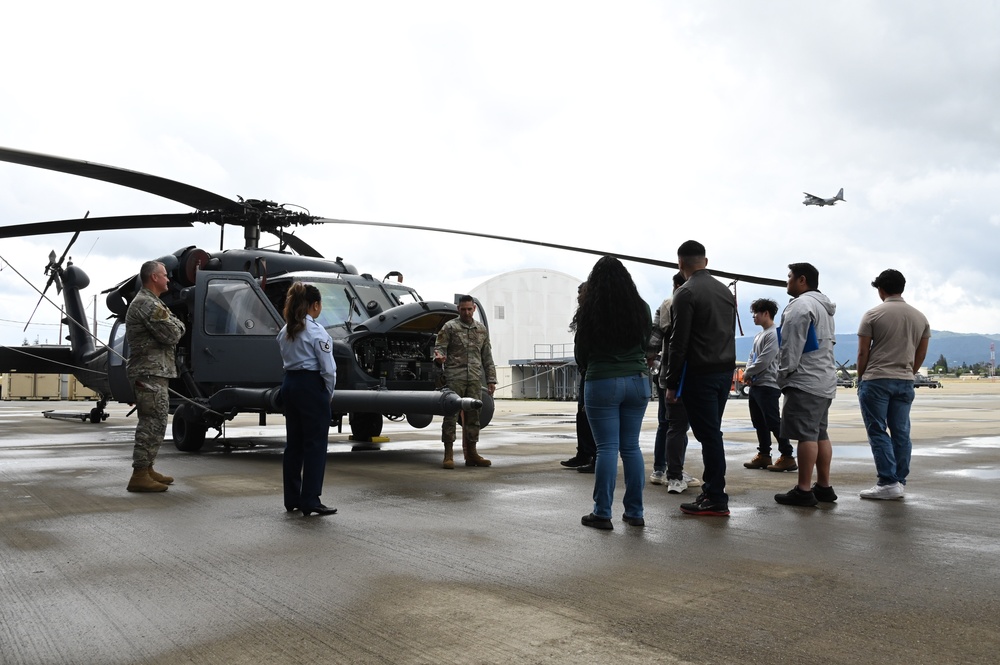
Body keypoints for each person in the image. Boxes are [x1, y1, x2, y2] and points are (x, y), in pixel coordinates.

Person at [575, 256, 650, 529]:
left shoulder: (589, 310)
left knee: (606, 448)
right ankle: (635, 512)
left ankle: (602, 513)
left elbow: (580, 353)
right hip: (638, 381)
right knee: (631, 447)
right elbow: (645, 342)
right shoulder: (641, 307)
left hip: (602, 381)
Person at [663, 241, 736, 516]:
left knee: (709, 436)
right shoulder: (724, 291)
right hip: (724, 371)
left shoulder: (685, 293)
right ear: (705, 261)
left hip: (700, 373)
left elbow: (678, 343)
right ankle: (713, 491)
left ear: (680, 264)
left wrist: (671, 383)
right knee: (712, 432)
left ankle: (716, 495)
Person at [856, 269, 931, 500]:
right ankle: (899, 481)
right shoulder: (920, 317)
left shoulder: (872, 314)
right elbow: (921, 353)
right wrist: (909, 372)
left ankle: (887, 481)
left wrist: (860, 379)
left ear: (881, 289)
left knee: (877, 430)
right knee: (901, 432)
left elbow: (862, 352)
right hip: (905, 380)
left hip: (877, 379)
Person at [773, 263, 838, 507]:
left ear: (802, 280)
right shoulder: (824, 305)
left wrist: (783, 375)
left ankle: (803, 489)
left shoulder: (800, 306)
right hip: (824, 379)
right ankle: (823, 486)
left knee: (806, 436)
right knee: (820, 433)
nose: (786, 281)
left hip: (805, 380)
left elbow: (791, 345)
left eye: (789, 277)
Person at [277, 282, 338, 516]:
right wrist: (327, 395)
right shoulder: (316, 331)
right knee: (315, 445)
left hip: (290, 384)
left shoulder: (285, 331)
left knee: (294, 444)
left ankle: (291, 498)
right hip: (310, 386)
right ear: (315, 305)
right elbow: (328, 370)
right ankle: (310, 499)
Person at [125, 260, 185, 492]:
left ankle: (147, 468)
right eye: (164, 275)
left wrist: (176, 325)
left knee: (156, 421)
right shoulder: (147, 304)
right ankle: (139, 474)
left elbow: (174, 327)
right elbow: (172, 333)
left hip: (153, 372)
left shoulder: (153, 303)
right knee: (151, 422)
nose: (168, 278)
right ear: (154, 278)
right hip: (148, 372)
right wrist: (177, 326)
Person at [648, 272, 700, 494]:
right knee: (679, 426)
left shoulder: (665, 305)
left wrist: (654, 360)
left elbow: (653, 341)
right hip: (685, 375)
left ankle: (661, 469)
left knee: (666, 423)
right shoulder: (682, 301)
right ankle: (673, 470)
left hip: (666, 374)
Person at [434, 295, 497, 469]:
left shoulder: (481, 330)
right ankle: (448, 454)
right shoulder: (450, 327)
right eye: (463, 309)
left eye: (469, 309)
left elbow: (487, 357)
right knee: (450, 417)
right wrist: (439, 357)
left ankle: (472, 454)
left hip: (475, 379)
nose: (467, 312)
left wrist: (491, 379)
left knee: (474, 417)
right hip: (455, 378)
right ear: (458, 309)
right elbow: (439, 347)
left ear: (474, 308)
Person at [742, 298, 797, 472]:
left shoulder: (774, 334)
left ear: (766, 313)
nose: (753, 317)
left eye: (756, 313)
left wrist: (748, 373)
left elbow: (765, 360)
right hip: (757, 384)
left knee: (773, 422)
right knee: (759, 421)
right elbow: (752, 357)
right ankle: (764, 455)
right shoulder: (760, 335)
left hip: (769, 384)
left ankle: (787, 456)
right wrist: (749, 373)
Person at [562, 284, 597, 471]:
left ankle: (593, 455)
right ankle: (583, 452)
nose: (578, 298)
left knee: (589, 415)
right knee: (581, 414)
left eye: (580, 294)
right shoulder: (585, 314)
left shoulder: (594, 315)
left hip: (592, 371)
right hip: (585, 371)